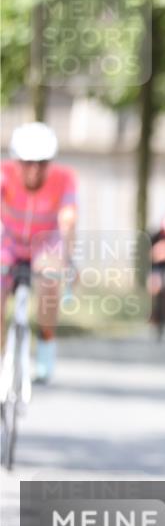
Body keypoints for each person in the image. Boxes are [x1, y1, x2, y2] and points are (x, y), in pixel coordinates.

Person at [1, 122, 77, 383]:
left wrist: (67, 258)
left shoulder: (63, 179)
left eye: (42, 163)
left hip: (44, 242)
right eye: (27, 163)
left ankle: (45, 349)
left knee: (49, 281)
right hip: (8, 241)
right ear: (16, 161)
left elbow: (68, 219)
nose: (34, 170)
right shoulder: (3, 174)